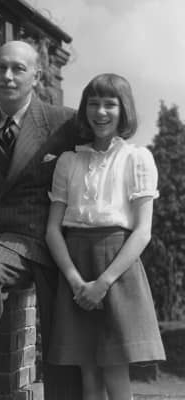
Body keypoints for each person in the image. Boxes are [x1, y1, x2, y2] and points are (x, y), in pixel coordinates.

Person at [0, 40, 82, 400]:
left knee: (63, 326)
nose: (8, 76)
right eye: (1, 68)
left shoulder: (64, 122)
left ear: (35, 76)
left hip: (59, 241)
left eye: (18, 68)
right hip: (8, 238)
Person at [45, 73, 166, 400]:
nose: (100, 112)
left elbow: (142, 231)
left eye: (110, 104)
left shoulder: (136, 158)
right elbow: (53, 230)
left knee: (114, 368)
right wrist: (75, 281)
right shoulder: (69, 161)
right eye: (93, 104)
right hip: (76, 267)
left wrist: (103, 282)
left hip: (116, 268)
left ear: (123, 110)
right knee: (88, 372)